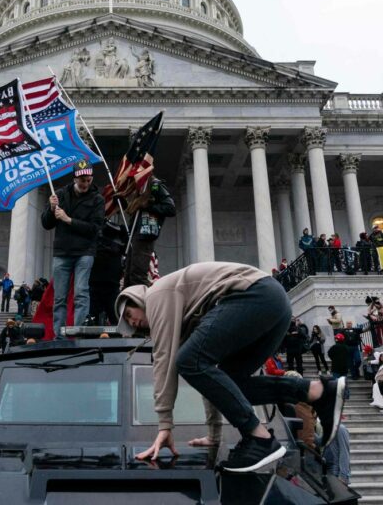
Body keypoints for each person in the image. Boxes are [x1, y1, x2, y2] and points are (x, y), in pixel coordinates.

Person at [115, 261, 346, 472]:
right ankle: (317, 391)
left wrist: (164, 425)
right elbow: (212, 381)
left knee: (187, 360)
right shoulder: (184, 315)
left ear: (137, 299)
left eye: (129, 314)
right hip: (273, 304)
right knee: (230, 381)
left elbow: (164, 361)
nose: (132, 322)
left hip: (255, 295)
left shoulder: (157, 295)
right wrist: (214, 435)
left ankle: (260, 438)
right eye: (129, 325)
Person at [41, 160, 105, 339]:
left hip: (84, 252)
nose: (85, 184)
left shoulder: (97, 199)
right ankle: (59, 336)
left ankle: (79, 334)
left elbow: (95, 228)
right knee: (59, 297)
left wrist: (69, 220)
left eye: (88, 179)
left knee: (81, 293)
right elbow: (46, 223)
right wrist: (52, 208)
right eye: (82, 180)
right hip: (62, 252)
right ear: (75, 178)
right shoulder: (60, 195)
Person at [123, 176, 176, 287]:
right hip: (134, 235)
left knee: (137, 276)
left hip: (145, 235)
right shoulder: (138, 186)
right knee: (128, 276)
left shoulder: (155, 185)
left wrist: (148, 206)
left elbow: (170, 208)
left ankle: (142, 302)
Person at [90, 220, 128, 325]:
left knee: (116, 320)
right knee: (93, 321)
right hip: (96, 282)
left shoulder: (122, 232)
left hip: (110, 283)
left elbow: (128, 248)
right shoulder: (95, 227)